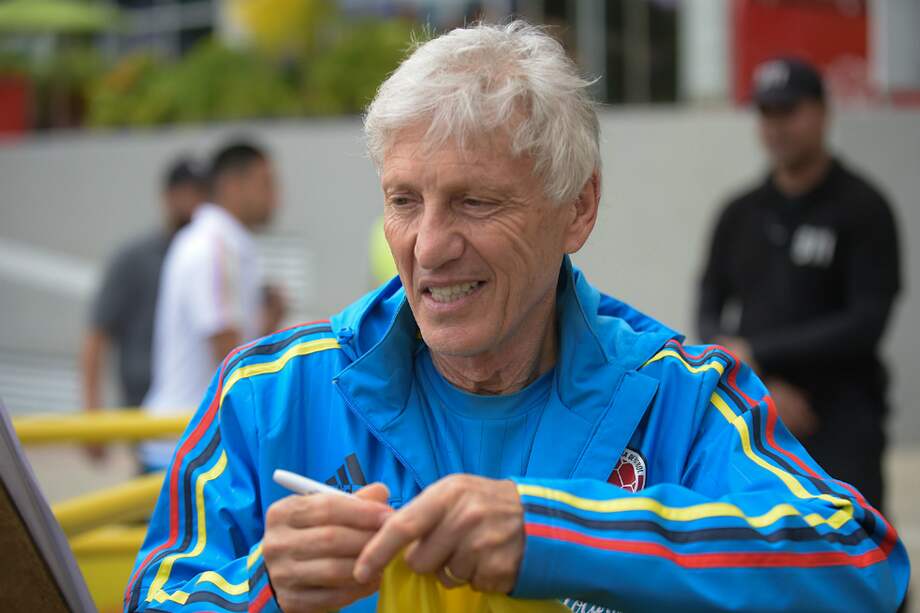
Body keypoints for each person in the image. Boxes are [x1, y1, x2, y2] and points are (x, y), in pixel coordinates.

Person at [126, 25, 909, 613]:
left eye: (475, 201)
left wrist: (560, 535)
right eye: (404, 200)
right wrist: (264, 588)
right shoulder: (267, 393)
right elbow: (153, 593)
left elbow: (864, 565)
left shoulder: (682, 396)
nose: (429, 246)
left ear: (579, 208)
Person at [697, 57, 902, 514]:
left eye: (789, 111)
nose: (777, 127)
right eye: (767, 113)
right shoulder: (740, 213)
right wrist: (758, 384)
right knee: (756, 544)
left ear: (822, 113)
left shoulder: (863, 208)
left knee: (854, 546)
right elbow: (709, 304)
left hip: (842, 418)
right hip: (757, 414)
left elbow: (866, 322)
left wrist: (758, 351)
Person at [139, 141, 283, 472]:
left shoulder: (214, 241)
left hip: (187, 439)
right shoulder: (214, 245)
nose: (276, 196)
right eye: (266, 183)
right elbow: (229, 356)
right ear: (232, 185)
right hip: (187, 445)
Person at [81, 158, 206, 457]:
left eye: (203, 193)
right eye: (189, 192)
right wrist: (91, 419)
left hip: (194, 410)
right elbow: (96, 336)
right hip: (144, 411)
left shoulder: (207, 256)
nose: (196, 203)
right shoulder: (135, 259)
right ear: (168, 196)